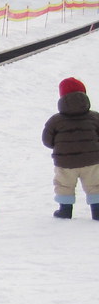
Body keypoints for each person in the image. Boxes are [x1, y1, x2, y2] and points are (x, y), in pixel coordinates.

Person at [41, 76, 99, 219]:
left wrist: (60, 147)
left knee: (64, 185)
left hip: (65, 162)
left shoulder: (55, 121)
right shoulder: (95, 117)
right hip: (92, 160)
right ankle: (97, 211)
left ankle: (65, 211)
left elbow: (47, 140)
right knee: (95, 184)